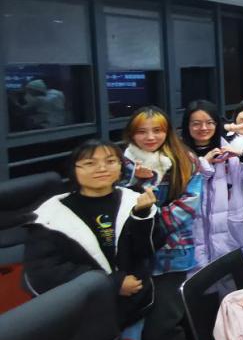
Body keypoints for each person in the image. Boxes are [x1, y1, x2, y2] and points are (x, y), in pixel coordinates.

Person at [119, 106, 207, 340]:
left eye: (157, 130)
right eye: (142, 131)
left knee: (163, 325)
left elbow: (188, 206)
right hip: (132, 261)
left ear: (168, 132)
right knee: (137, 328)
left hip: (172, 255)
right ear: (131, 134)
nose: (150, 137)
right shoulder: (121, 165)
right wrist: (134, 179)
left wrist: (147, 225)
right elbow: (115, 206)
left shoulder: (185, 160)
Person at [26, 140, 159, 327]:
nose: (102, 168)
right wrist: (111, 283)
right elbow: (44, 271)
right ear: (73, 170)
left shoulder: (135, 201)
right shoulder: (51, 215)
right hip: (83, 315)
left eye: (111, 161)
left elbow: (147, 251)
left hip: (137, 305)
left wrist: (142, 216)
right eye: (90, 163)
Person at [181, 100, 243, 268]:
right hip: (195, 236)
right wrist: (203, 165)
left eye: (209, 122)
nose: (203, 128)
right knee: (200, 278)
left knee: (233, 277)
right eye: (196, 123)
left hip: (231, 233)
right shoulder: (179, 156)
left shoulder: (229, 151)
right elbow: (182, 192)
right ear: (187, 126)